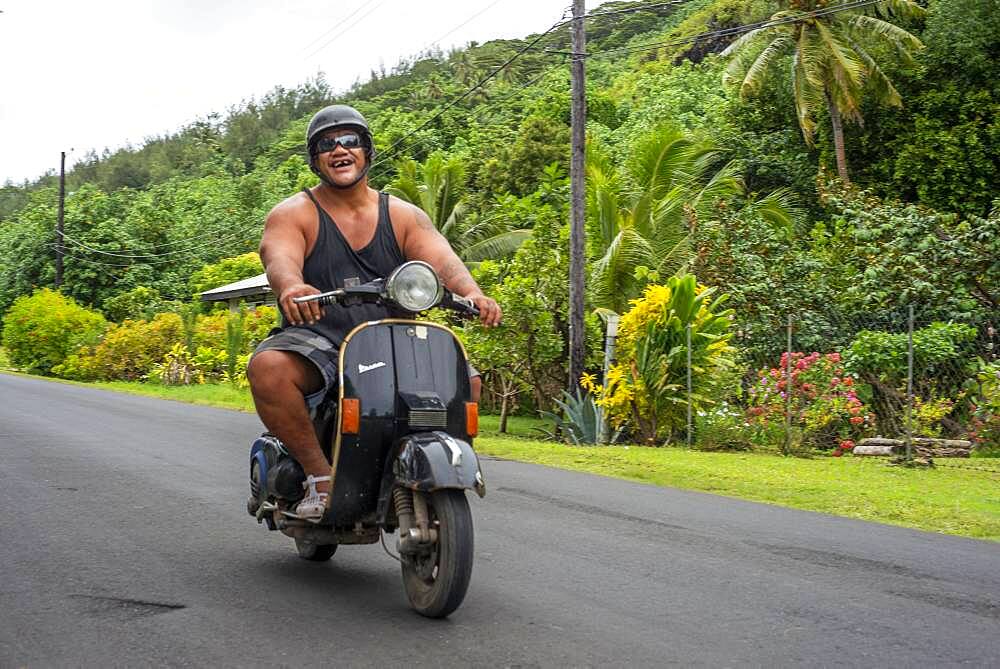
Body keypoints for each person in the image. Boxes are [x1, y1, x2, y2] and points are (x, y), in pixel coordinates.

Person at [246, 104, 501, 522]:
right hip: (320, 338)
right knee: (270, 367)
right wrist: (291, 285)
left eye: (350, 141)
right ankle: (319, 476)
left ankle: (433, 464)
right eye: (327, 145)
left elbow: (443, 261)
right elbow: (278, 256)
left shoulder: (402, 215)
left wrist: (474, 294)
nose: (339, 150)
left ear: (366, 151)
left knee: (465, 379)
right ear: (315, 160)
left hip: (395, 337)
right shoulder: (295, 213)